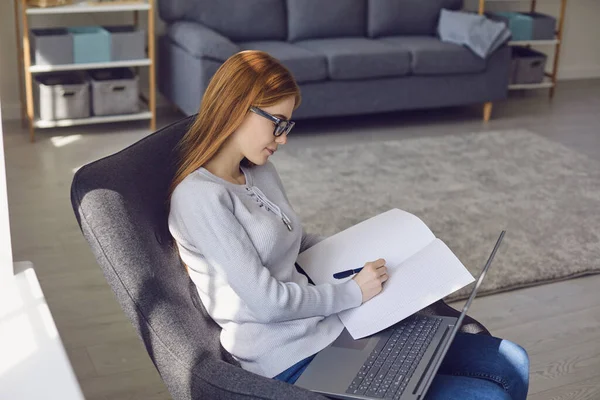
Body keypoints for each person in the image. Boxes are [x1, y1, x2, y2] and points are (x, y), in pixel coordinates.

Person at [167, 50, 530, 400]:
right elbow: (267, 304)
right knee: (488, 394)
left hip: (335, 328)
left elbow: (294, 241)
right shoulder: (200, 198)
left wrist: (379, 253)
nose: (284, 138)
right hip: (289, 359)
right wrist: (354, 292)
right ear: (236, 109)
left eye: (287, 125)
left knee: (513, 362)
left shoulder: (258, 171)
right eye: (277, 124)